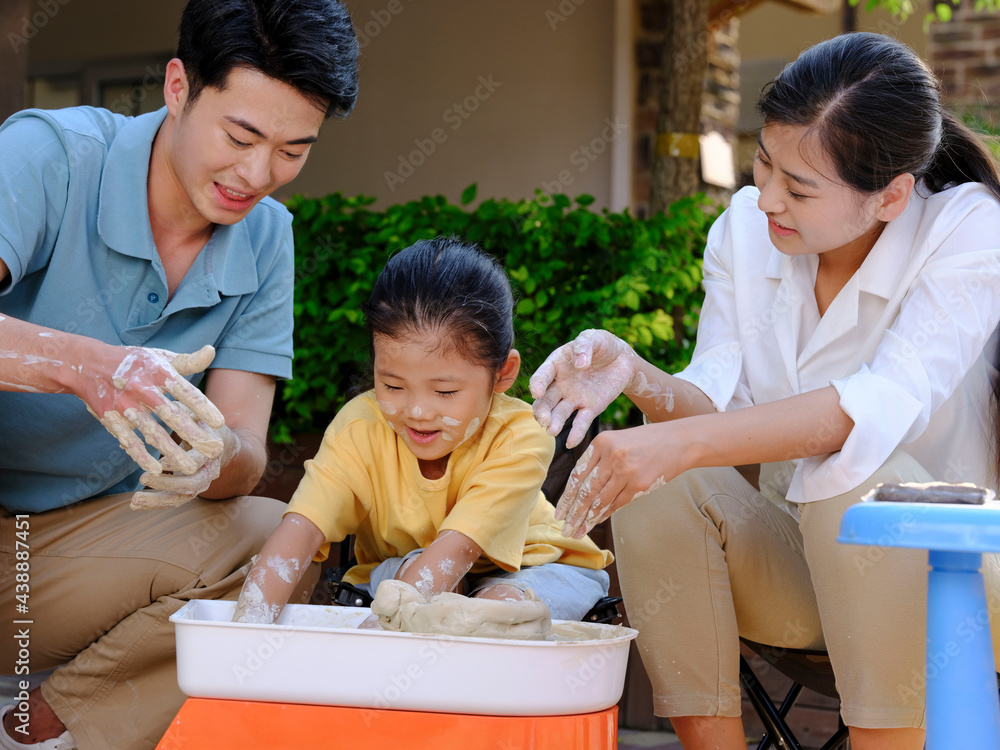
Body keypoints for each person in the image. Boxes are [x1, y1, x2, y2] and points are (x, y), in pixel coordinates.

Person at [529, 32, 1000, 750]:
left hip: (957, 596)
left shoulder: (968, 229)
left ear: (891, 197)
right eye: (764, 161)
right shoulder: (746, 233)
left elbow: (867, 410)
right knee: (664, 485)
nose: (767, 198)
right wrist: (639, 378)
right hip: (805, 581)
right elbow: (722, 413)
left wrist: (671, 442)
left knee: (859, 478)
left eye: (800, 187)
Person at [0, 1, 358, 748]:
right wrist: (95, 369)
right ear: (177, 86)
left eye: (294, 150)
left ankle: (49, 725)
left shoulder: (266, 239)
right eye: (240, 136)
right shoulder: (49, 156)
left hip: (56, 562)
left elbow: (249, 449)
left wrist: (212, 457)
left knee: (278, 537)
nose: (258, 175)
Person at [232, 237, 612, 630]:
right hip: (409, 569)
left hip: (543, 568)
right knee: (420, 587)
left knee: (500, 609)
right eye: (393, 386)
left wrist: (373, 643)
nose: (416, 412)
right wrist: (245, 630)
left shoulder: (520, 434)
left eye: (445, 392)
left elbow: (458, 549)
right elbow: (299, 533)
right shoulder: (360, 427)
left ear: (503, 374)